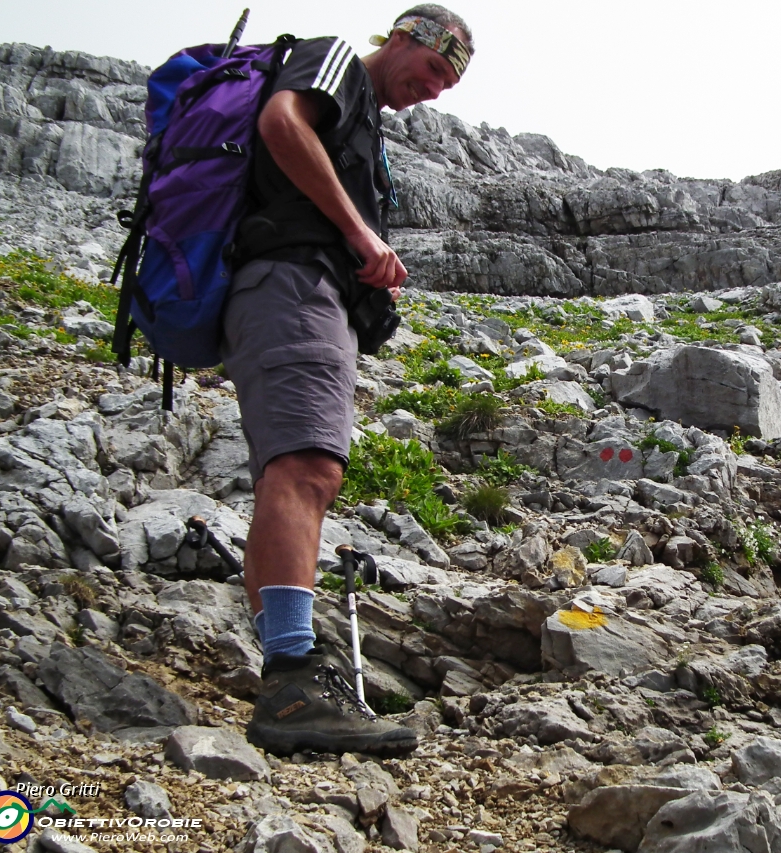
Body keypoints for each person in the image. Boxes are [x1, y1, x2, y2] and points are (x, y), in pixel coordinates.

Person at [221, 4, 474, 758]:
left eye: (449, 83)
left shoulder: (368, 116)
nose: (435, 89)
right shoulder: (338, 64)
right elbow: (282, 123)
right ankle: (294, 683)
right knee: (307, 467)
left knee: (294, 470)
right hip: (294, 282)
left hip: (300, 289)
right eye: (434, 68)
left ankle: (288, 665)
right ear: (402, 39)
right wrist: (361, 234)